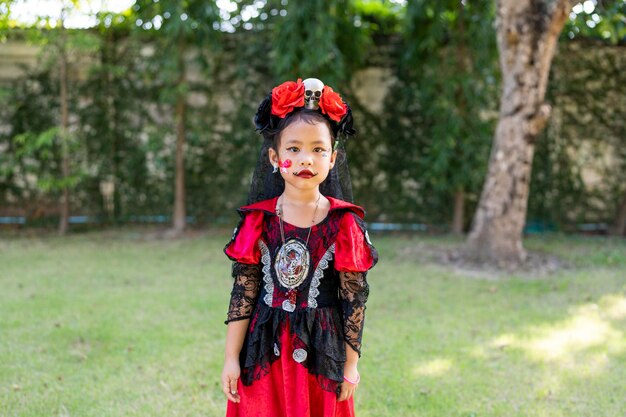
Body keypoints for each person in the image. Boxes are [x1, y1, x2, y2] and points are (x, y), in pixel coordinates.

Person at [221, 77, 378, 417]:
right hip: (264, 349)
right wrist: (231, 359)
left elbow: (353, 298)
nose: (306, 159)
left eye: (318, 149)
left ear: (333, 158)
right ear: (275, 157)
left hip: (323, 350)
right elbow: (243, 293)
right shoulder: (257, 220)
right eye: (294, 149)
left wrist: (350, 364)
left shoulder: (344, 222)